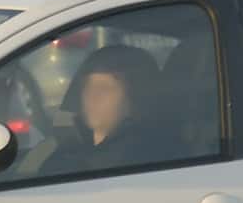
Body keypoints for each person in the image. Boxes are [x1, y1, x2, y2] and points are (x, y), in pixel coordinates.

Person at [51, 44, 163, 173]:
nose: (93, 96)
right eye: (87, 86)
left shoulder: (153, 160)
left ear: (134, 101)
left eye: (105, 88)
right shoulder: (65, 157)